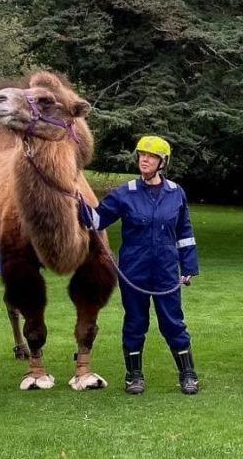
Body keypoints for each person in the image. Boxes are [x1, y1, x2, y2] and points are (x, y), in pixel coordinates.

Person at [78, 136, 200, 395]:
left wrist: (189, 266)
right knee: (135, 321)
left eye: (151, 156)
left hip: (166, 270)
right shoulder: (126, 192)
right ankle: (134, 375)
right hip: (134, 270)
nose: (144, 159)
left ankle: (188, 374)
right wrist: (76, 200)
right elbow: (98, 220)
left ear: (162, 162)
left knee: (173, 322)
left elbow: (185, 232)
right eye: (142, 155)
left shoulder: (176, 193)